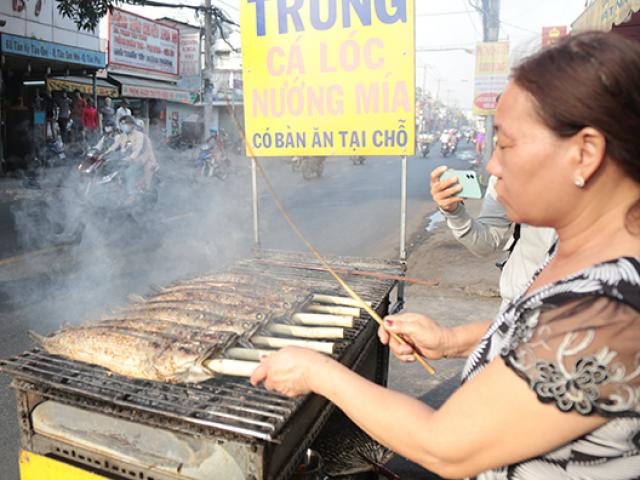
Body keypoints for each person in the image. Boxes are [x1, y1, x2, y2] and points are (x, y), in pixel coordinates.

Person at [250, 32, 640, 478]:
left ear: (584, 153)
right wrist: (452, 340)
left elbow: (446, 447)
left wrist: (317, 372)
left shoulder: (612, 310)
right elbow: (542, 341)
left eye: (505, 144)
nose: (491, 166)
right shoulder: (584, 253)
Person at [431, 170, 556, 308]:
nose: (492, 165)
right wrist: (454, 212)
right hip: (517, 306)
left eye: (505, 147)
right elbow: (485, 244)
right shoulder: (505, 174)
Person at [103, 115, 157, 195]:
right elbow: (114, 146)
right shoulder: (123, 135)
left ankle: (131, 193)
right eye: (121, 124)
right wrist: (104, 153)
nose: (122, 126)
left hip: (137, 160)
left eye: (124, 124)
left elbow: (138, 150)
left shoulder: (139, 136)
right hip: (125, 160)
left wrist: (130, 158)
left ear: (132, 125)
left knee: (128, 172)